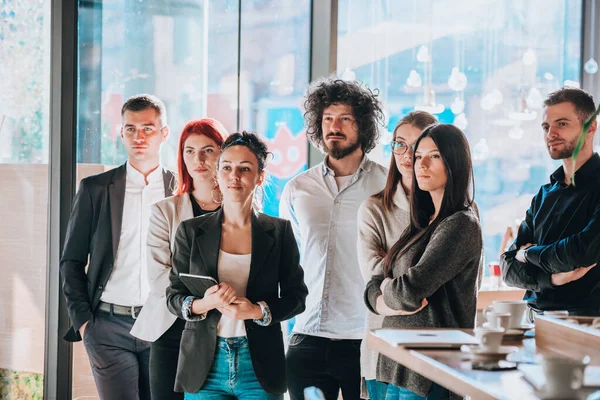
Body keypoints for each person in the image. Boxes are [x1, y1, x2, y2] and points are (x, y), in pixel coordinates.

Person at [166, 132, 308, 399]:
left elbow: (297, 298)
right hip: (204, 366)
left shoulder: (279, 232)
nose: (235, 176)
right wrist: (204, 303)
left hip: (260, 366)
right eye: (227, 167)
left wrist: (257, 311)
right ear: (218, 173)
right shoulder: (191, 231)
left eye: (245, 169)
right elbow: (173, 296)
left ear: (260, 177)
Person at [280, 77, 388, 400]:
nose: (334, 127)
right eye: (327, 118)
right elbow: (296, 256)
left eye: (344, 119)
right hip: (307, 336)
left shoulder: (386, 185)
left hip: (364, 339)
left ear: (363, 126)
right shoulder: (298, 190)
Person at [60, 94, 173, 400]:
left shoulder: (180, 192)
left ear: (164, 133)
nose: (139, 136)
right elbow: (70, 261)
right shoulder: (95, 189)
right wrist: (84, 323)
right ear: (121, 132)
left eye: (148, 128)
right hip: (107, 327)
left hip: (163, 325)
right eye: (131, 128)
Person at [365, 124, 482, 400]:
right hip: (396, 364)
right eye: (418, 157)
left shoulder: (460, 224)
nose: (421, 164)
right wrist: (383, 295)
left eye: (435, 156)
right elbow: (373, 283)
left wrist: (385, 292)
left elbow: (409, 291)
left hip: (428, 373)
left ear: (455, 163)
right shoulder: (421, 223)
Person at [130, 118, 228, 400]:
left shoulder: (240, 209)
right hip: (172, 326)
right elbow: (160, 276)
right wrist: (203, 301)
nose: (198, 159)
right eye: (189, 151)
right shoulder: (165, 211)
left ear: (224, 152)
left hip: (225, 330)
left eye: (208, 150)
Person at [357, 111, 437, 400]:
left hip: (434, 349)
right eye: (399, 144)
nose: (407, 154)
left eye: (418, 147)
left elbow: (459, 284)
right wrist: (417, 278)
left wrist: (392, 262)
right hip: (382, 344)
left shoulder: (457, 213)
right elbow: (374, 279)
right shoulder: (375, 209)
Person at [501, 87, 600, 317]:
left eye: (562, 124)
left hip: (587, 324)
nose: (550, 133)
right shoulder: (544, 194)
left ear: (591, 127)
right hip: (535, 321)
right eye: (546, 126)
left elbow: (580, 253)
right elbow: (507, 266)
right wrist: (551, 279)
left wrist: (527, 254)